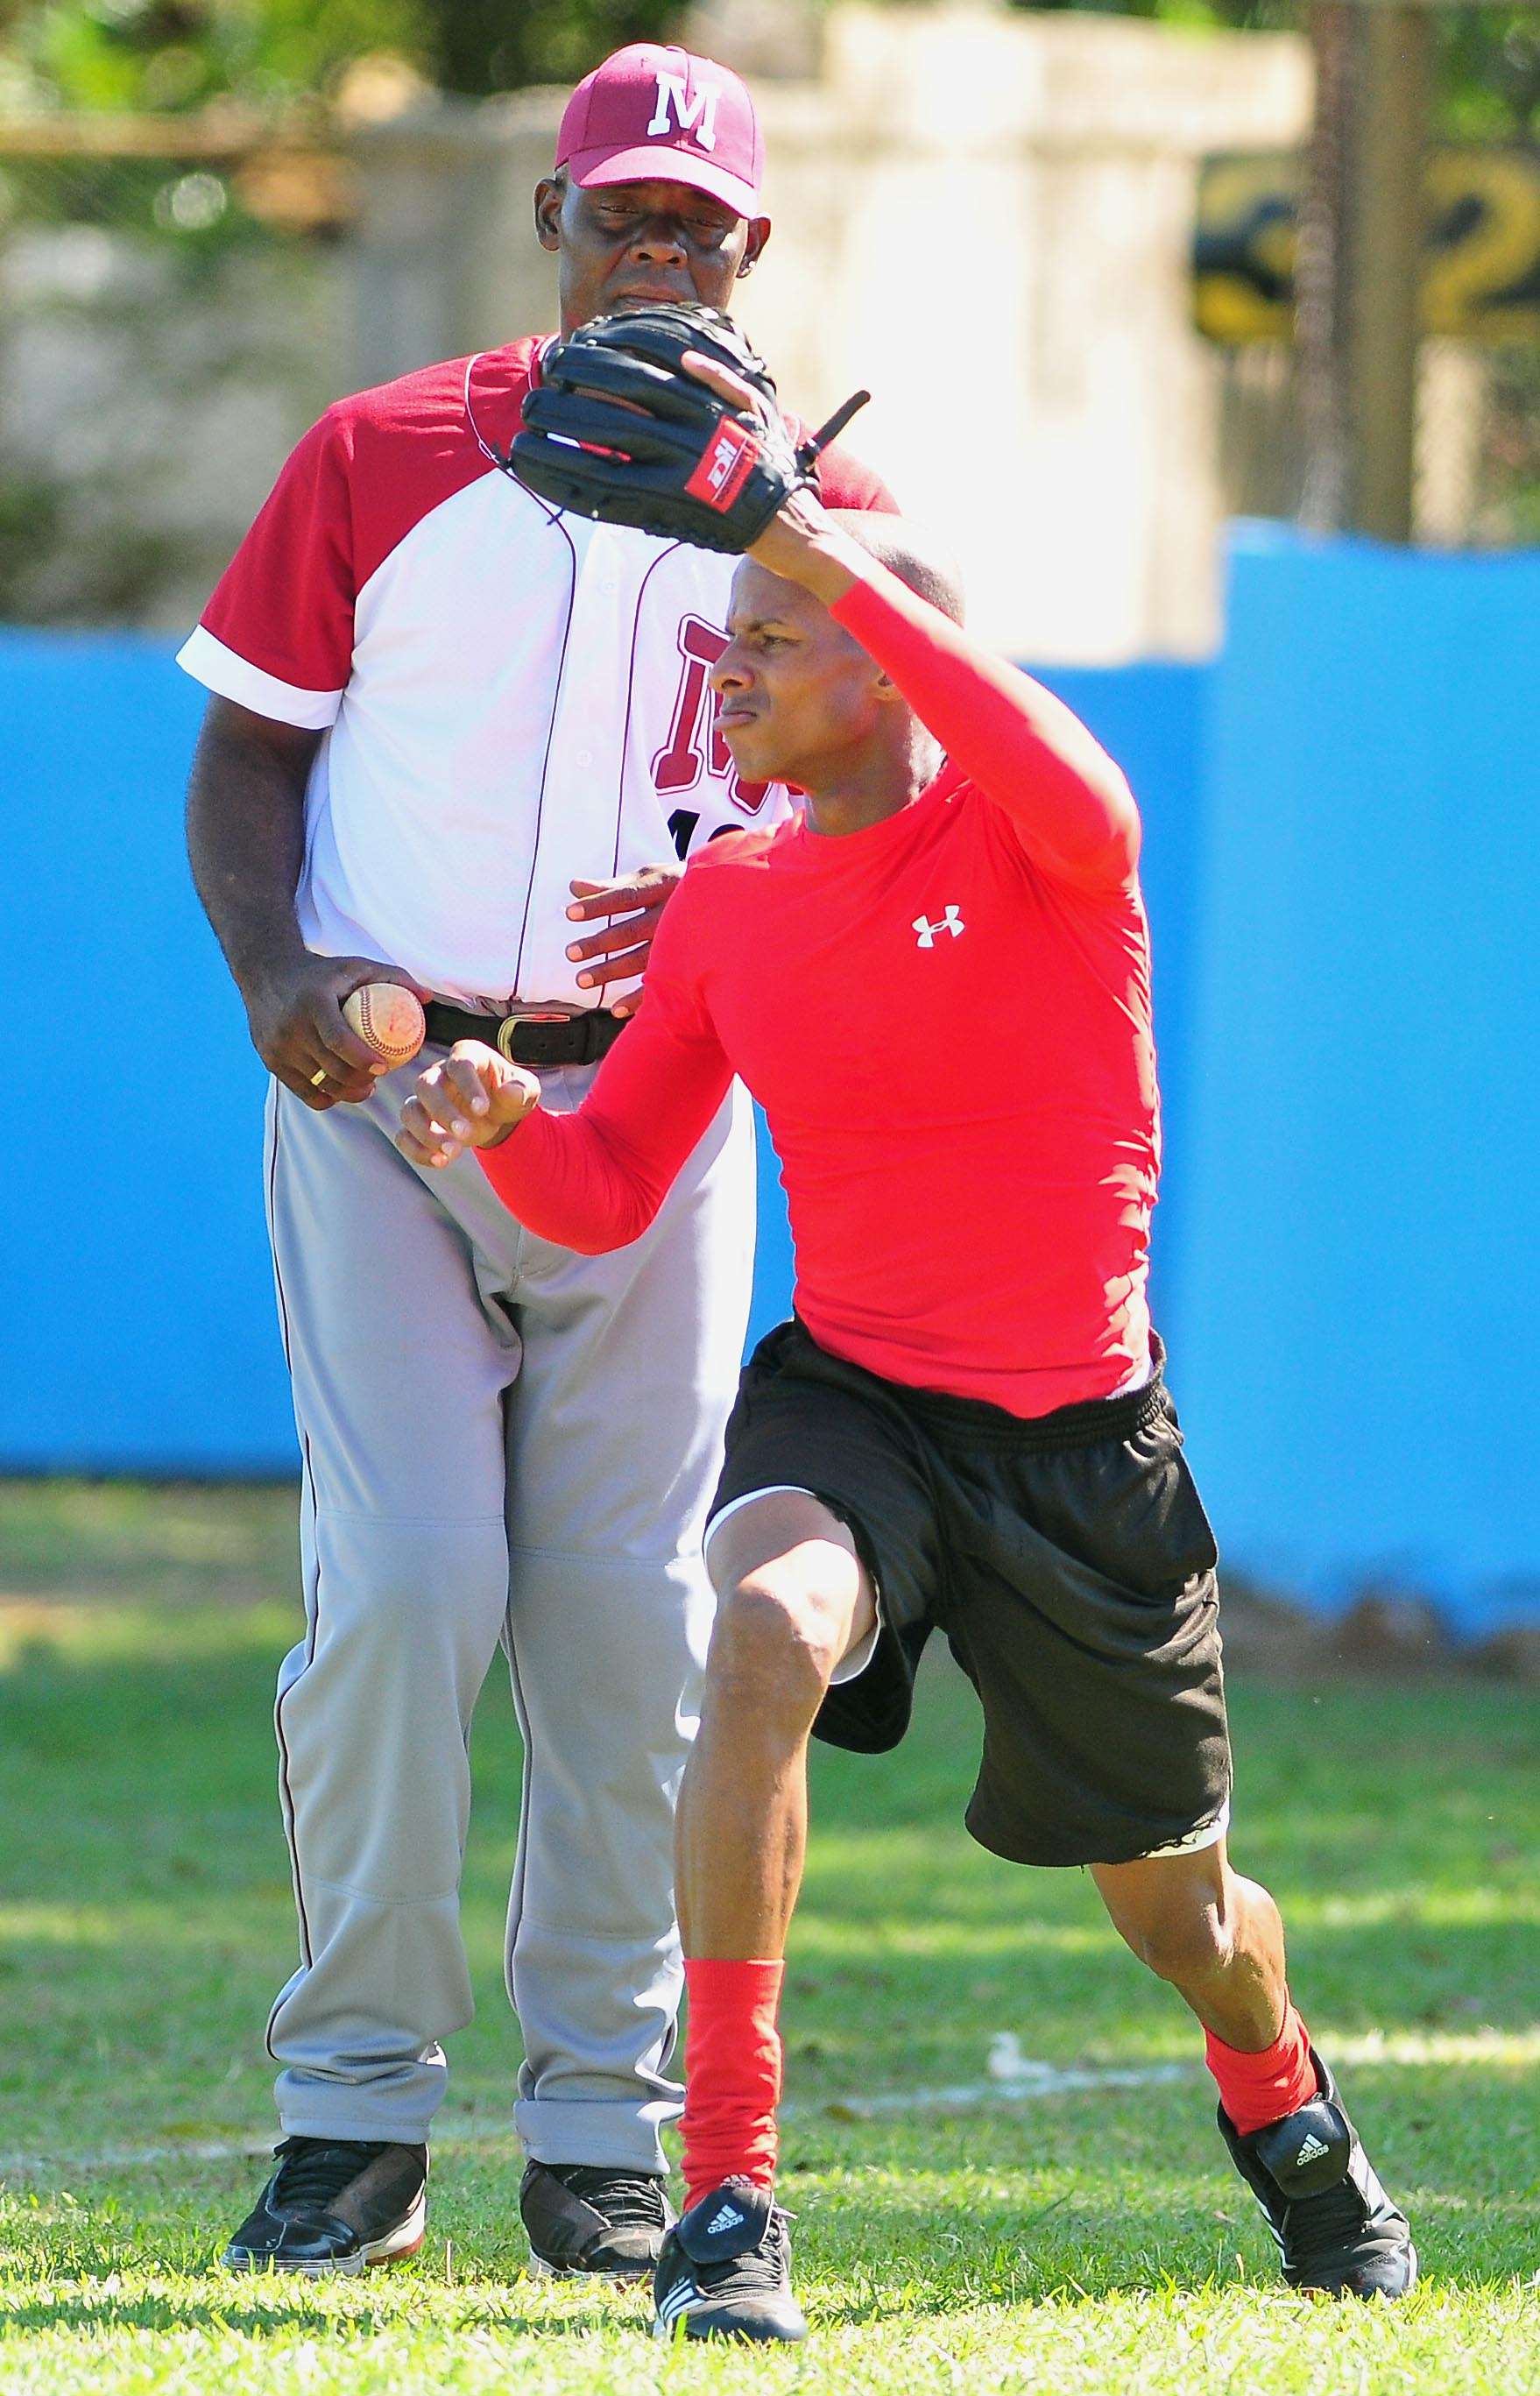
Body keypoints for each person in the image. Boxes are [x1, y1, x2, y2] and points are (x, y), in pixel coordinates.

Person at [399, 463, 1418, 2337]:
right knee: (769, 1623)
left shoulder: (1044, 844)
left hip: (1083, 1454)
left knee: (1183, 1918)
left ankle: (1285, 2109)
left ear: (885, 665)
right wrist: (500, 1126)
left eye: (771, 639)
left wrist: (808, 532)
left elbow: (1057, 766)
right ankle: (728, 2191)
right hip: (857, 1405)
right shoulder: (727, 903)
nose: (729, 668)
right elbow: (610, 1183)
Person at [179, 43, 894, 2279]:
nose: (657, 249)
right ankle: (352, 2122)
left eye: (698, 224)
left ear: (753, 251)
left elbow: (890, 804)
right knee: (406, 1590)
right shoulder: (383, 455)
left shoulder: (812, 515)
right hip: (390, 1098)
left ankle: (602, 2121)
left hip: (653, 1109)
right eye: (622, 218)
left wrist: (741, 897)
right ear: (558, 230)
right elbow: (243, 764)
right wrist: (277, 973)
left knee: (628, 1629)